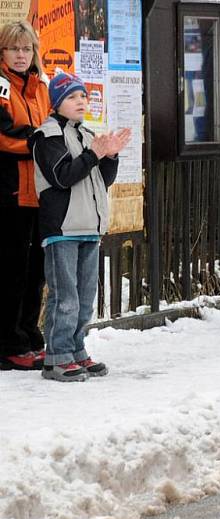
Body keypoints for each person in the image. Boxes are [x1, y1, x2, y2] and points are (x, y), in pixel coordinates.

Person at [30, 72, 131, 381]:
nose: (81, 102)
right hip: (62, 228)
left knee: (85, 295)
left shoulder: (87, 134)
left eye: (84, 96)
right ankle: (57, 355)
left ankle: (76, 349)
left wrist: (109, 156)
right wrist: (94, 154)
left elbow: (102, 180)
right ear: (57, 102)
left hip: (89, 225)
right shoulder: (47, 135)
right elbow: (62, 176)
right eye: (73, 97)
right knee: (65, 296)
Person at [0, 21, 50, 371]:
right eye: (14, 48)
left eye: (26, 48)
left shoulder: (41, 86)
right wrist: (37, 140)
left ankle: (30, 335)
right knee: (10, 271)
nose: (21, 55)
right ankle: (8, 343)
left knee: (36, 270)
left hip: (41, 192)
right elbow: (5, 136)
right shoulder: (2, 86)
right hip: (9, 192)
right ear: (2, 52)